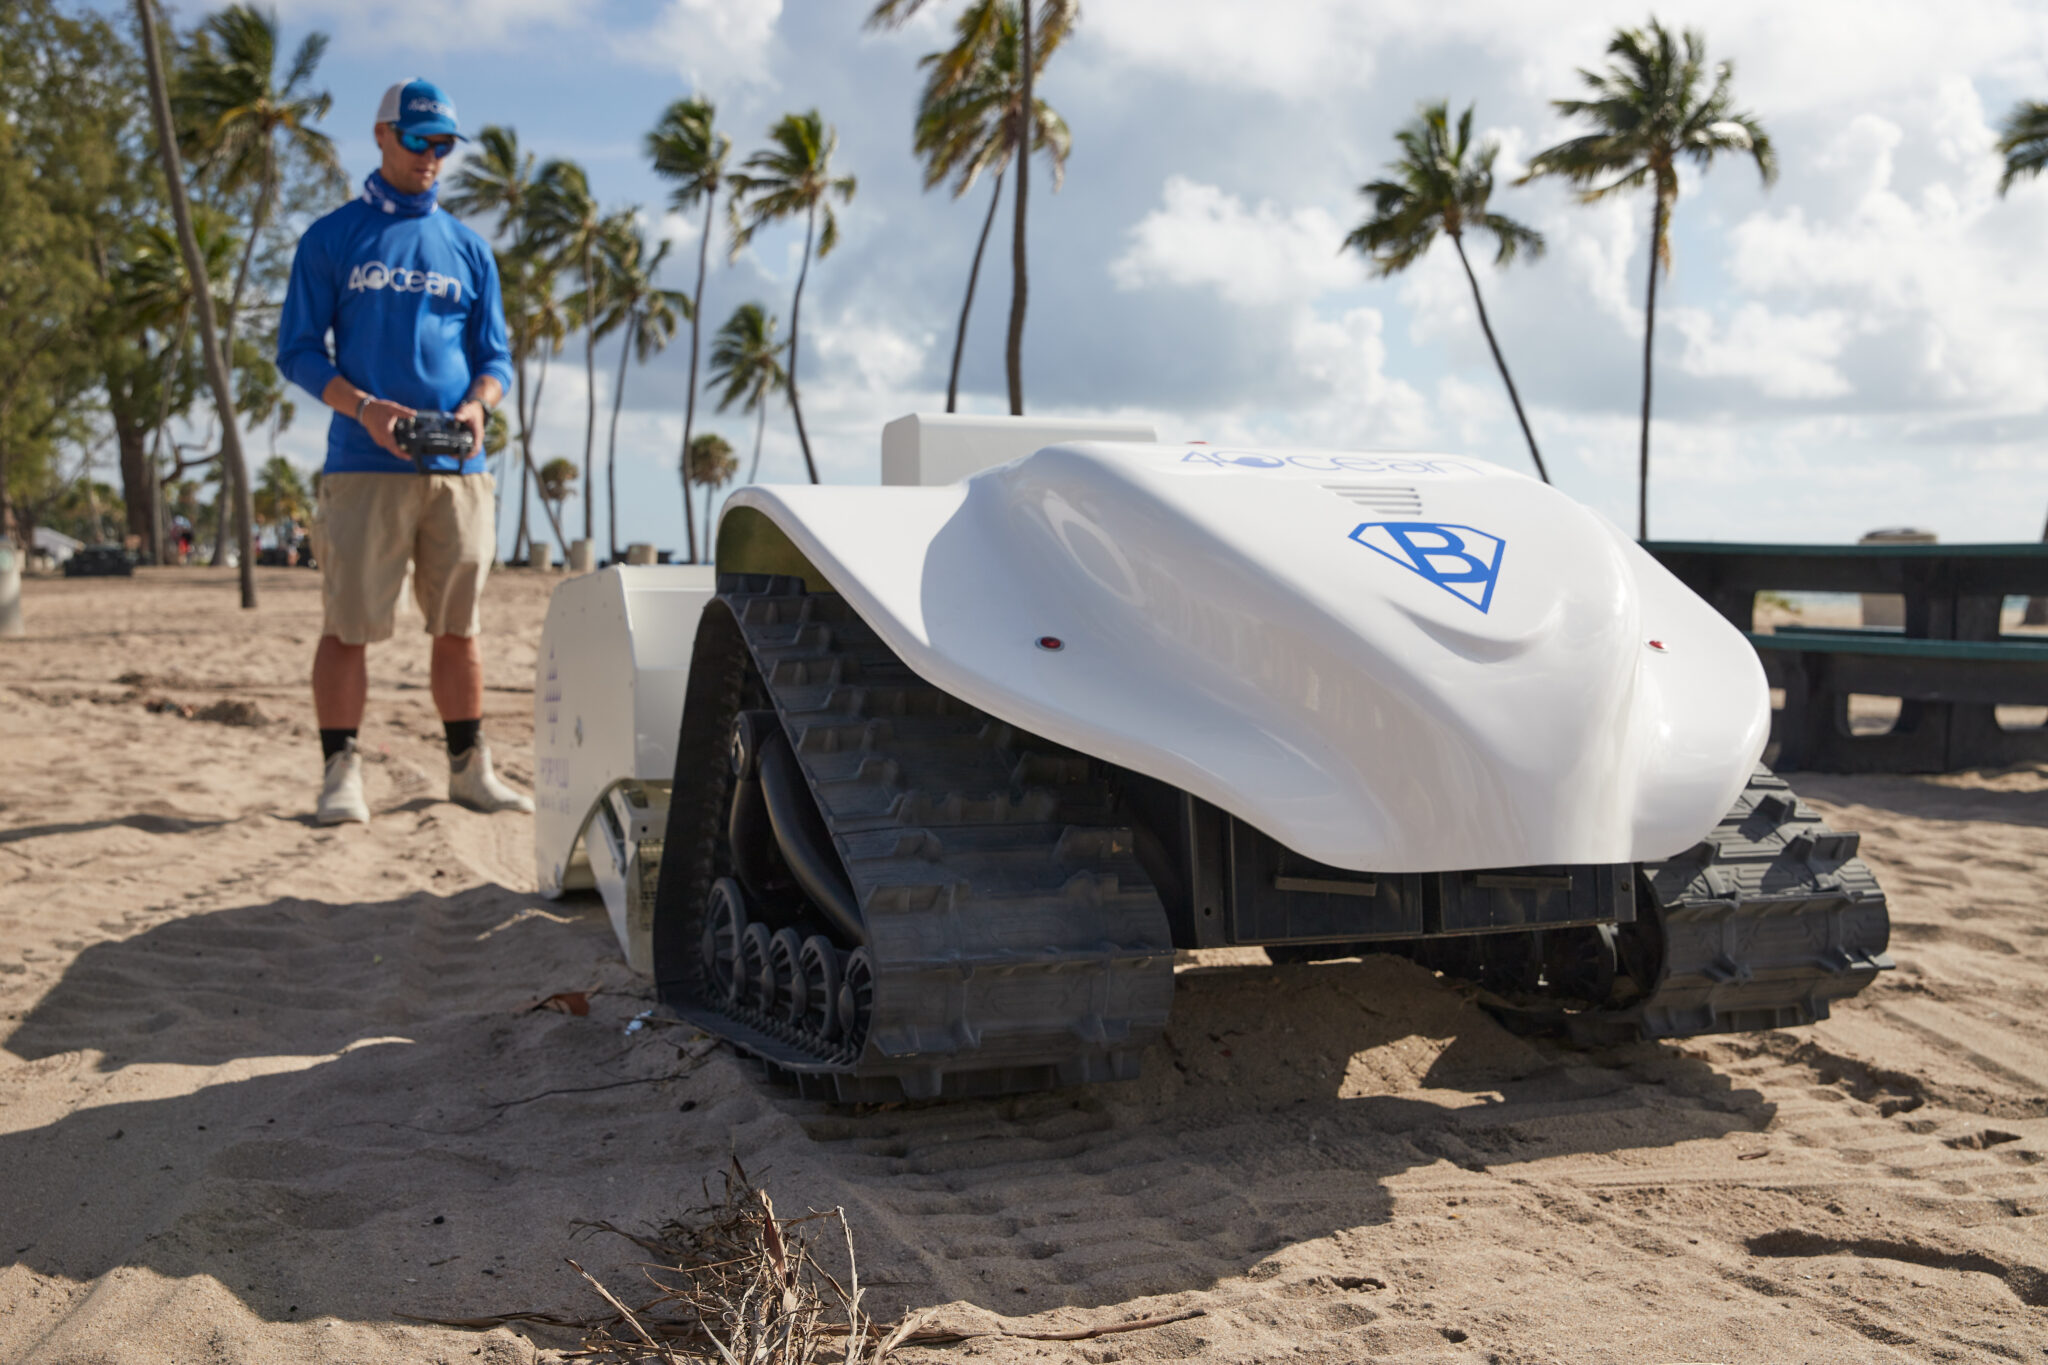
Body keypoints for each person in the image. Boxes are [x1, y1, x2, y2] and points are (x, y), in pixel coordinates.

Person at [276, 78, 531, 826]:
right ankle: (339, 773)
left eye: (443, 144)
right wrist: (365, 408)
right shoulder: (332, 237)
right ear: (383, 135)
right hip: (363, 464)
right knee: (348, 624)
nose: (430, 157)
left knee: (460, 628)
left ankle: (469, 768)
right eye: (418, 140)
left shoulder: (469, 249)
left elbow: (498, 359)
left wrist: (477, 407)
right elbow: (296, 352)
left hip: (459, 472)